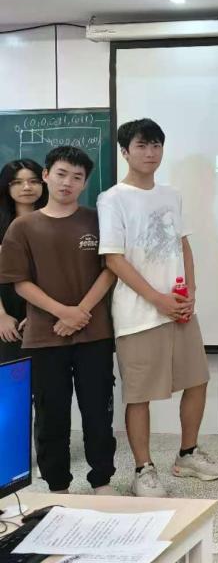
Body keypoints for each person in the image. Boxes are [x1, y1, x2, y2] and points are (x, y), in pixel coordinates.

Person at [98, 118, 218, 498]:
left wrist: (191, 293)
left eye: (156, 145)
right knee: (139, 395)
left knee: (197, 380)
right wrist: (157, 299)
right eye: (142, 145)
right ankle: (143, 469)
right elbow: (113, 259)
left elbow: (182, 244)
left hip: (180, 308)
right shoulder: (113, 198)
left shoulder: (171, 195)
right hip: (139, 314)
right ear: (125, 151)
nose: (150, 153)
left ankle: (187, 454)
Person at [0, 146, 116, 495]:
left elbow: (111, 269)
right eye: (61, 174)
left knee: (98, 410)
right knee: (51, 414)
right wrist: (64, 312)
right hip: (44, 335)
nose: (68, 183)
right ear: (47, 175)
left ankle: (102, 480)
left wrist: (80, 312)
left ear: (85, 183)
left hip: (94, 333)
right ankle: (58, 485)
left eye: (77, 177)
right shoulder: (23, 226)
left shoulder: (97, 220)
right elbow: (20, 282)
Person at [0, 159, 47, 362]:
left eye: (34, 181)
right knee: (12, 376)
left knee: (45, 377)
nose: (27, 187)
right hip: (7, 313)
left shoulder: (56, 221)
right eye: (17, 182)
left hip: (48, 311)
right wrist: (1, 316)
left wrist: (41, 313)